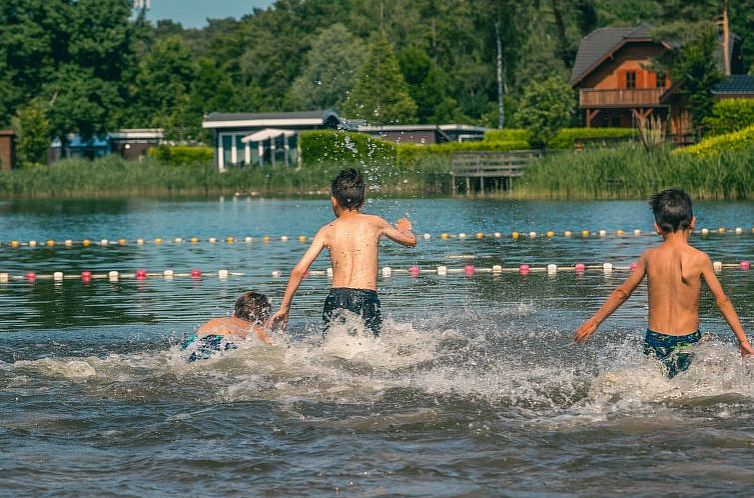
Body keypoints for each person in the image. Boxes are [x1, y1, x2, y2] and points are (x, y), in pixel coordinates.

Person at [574, 188, 753, 378]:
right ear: (692, 223)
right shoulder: (700, 258)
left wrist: (594, 322)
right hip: (687, 340)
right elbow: (722, 300)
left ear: (657, 227)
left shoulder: (649, 257)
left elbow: (622, 292)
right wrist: (742, 340)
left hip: (655, 339)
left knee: (659, 384)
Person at [268, 168, 417, 336]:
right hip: (365, 296)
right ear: (362, 202)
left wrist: (284, 308)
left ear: (334, 201)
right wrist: (406, 229)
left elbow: (299, 270)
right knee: (369, 350)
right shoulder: (375, 222)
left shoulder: (327, 230)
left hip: (335, 298)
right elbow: (410, 242)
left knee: (334, 349)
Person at [183, 291, 271, 362]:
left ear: (235, 310)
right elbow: (274, 348)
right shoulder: (255, 329)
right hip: (224, 344)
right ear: (264, 316)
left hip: (194, 343)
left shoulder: (215, 321)